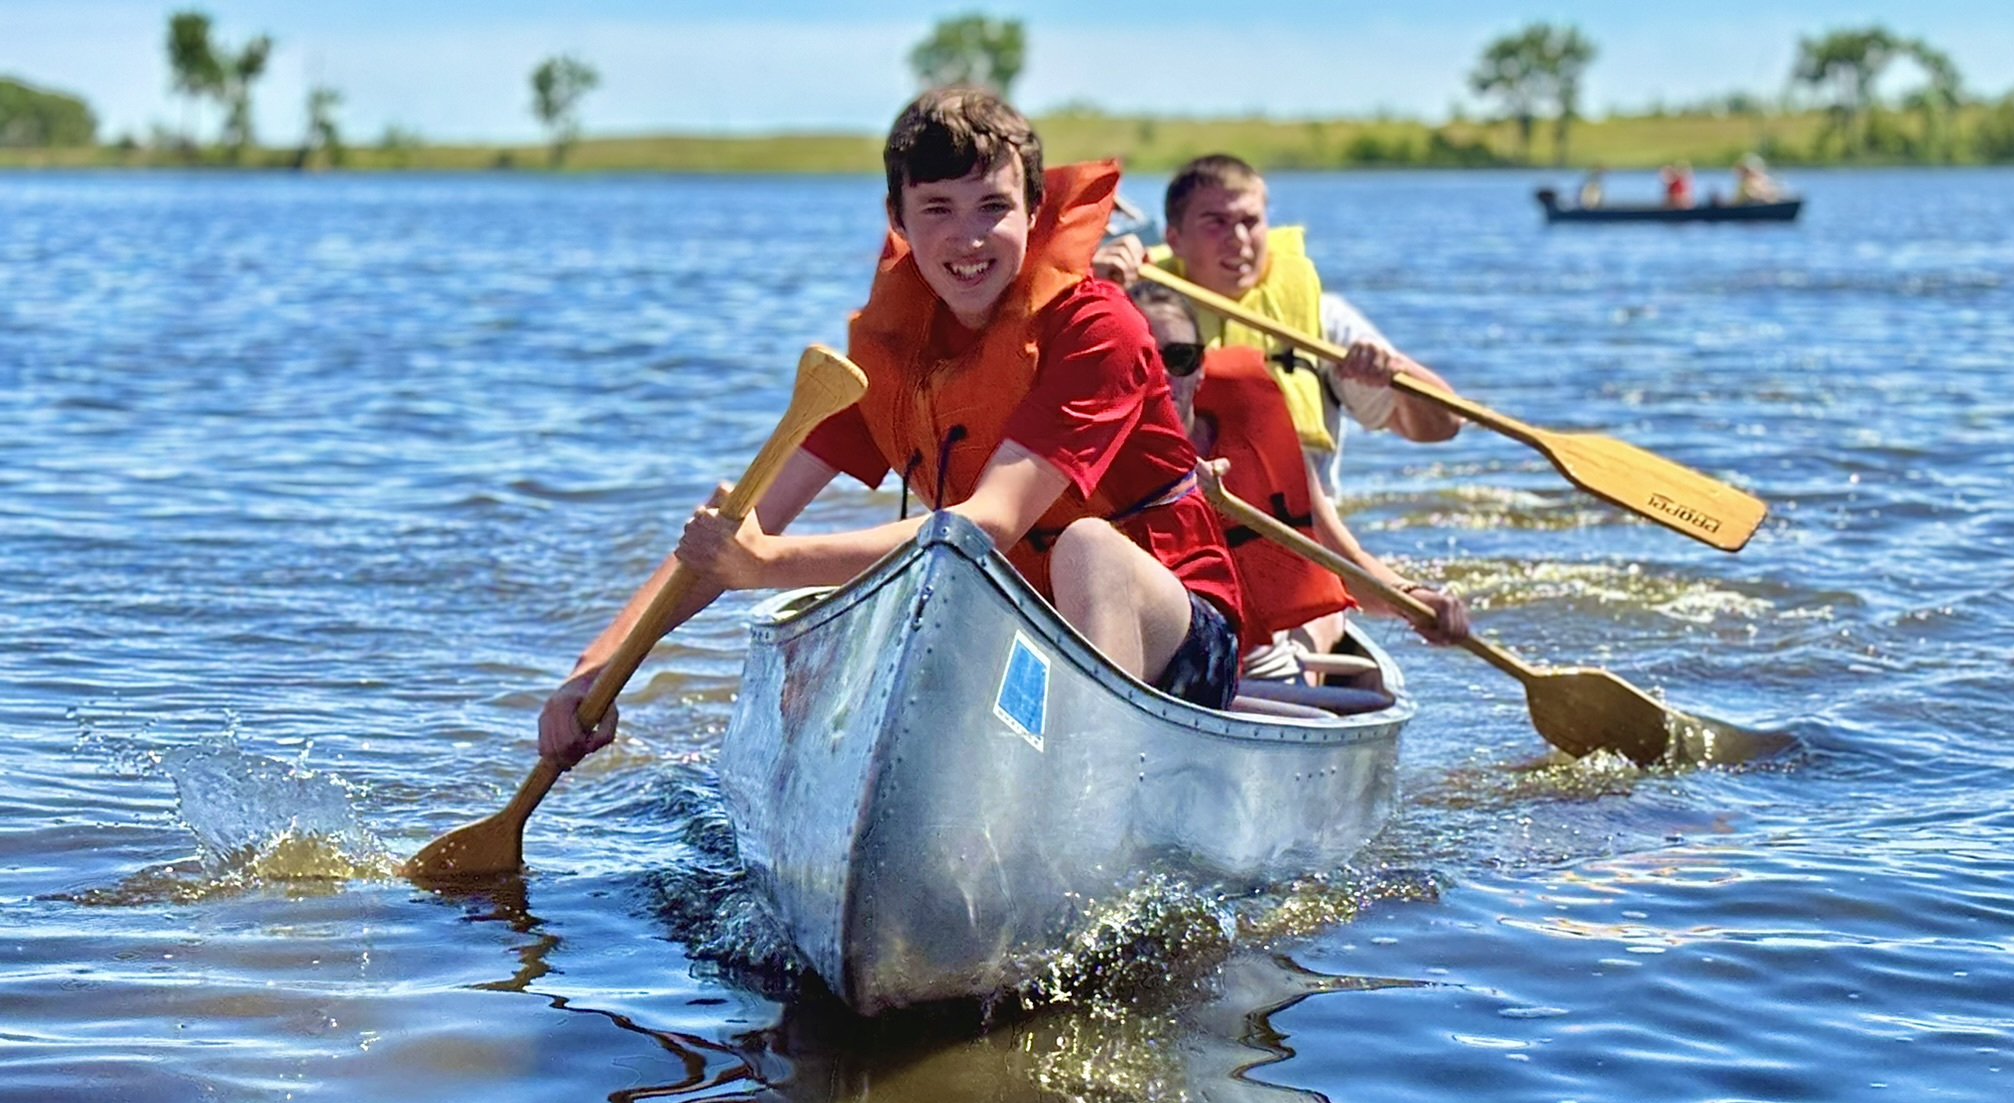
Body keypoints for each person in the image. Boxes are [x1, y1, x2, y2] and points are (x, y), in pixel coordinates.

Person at [539, 87, 1247, 766]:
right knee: (837, 639)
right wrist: (596, 671)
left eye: (993, 206)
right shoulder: (893, 355)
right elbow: (744, 524)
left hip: (1177, 644)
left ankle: (1088, 801)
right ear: (898, 220)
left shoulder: (1099, 329)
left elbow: (989, 523)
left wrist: (768, 565)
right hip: (1022, 631)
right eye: (937, 208)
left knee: (1086, 547)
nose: (968, 237)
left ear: (1035, 211)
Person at [1126, 280, 1468, 679]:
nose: (1164, 374)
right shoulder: (1088, 459)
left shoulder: (1264, 441)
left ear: (1201, 369)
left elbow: (1345, 564)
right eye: (1145, 357)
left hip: (1259, 666)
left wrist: (1415, 600)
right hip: (1150, 662)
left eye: (1180, 358)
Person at [1093, 153, 1461, 501]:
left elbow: (1442, 427)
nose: (1238, 239)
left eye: (1250, 222)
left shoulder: (1322, 318)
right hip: (1176, 512)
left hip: (1299, 524)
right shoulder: (1126, 313)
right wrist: (1090, 284)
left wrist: (1392, 371)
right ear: (1174, 239)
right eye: (1216, 222)